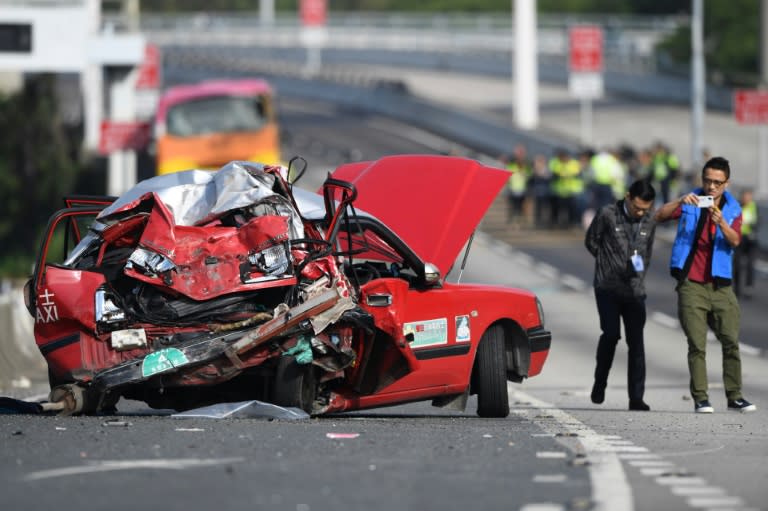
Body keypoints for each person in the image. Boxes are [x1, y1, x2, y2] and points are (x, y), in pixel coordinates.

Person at [654, 156, 757, 413]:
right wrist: (680, 200)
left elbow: (735, 241)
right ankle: (701, 397)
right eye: (708, 181)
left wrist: (721, 221)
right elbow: (659, 215)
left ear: (726, 183)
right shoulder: (690, 201)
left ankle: (735, 396)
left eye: (717, 183)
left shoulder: (733, 209)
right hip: (692, 283)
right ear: (702, 179)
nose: (712, 187)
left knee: (731, 341)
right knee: (697, 344)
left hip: (721, 285)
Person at [585, 179, 656, 411]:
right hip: (607, 287)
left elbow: (647, 252)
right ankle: (599, 382)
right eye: (636, 207)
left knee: (637, 343)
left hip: (635, 290)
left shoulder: (649, 221)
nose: (639, 212)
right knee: (611, 334)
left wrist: (639, 271)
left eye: (645, 209)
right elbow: (591, 241)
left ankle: (636, 397)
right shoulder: (607, 214)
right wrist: (607, 262)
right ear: (628, 197)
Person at [733, 189, 758, 298]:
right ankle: (737, 288)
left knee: (750, 264)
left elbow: (758, 221)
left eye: (748, 197)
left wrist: (753, 227)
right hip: (739, 238)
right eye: (744, 196)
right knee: (737, 264)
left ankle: (749, 287)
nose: (746, 199)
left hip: (750, 239)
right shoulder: (737, 207)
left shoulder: (754, 207)